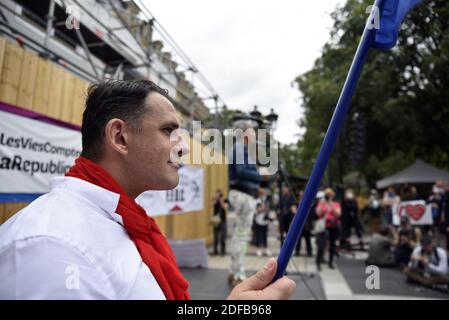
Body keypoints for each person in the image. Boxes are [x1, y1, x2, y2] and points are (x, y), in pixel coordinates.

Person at [0, 80, 295, 299]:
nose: (183, 148)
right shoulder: (52, 247)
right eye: (169, 131)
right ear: (120, 137)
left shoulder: (117, 221)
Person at [227, 119, 270, 287]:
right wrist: (261, 175)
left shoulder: (238, 148)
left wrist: (256, 186)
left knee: (239, 235)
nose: (254, 134)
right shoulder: (239, 147)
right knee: (241, 236)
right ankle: (239, 273)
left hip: (242, 193)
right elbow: (242, 171)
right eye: (252, 131)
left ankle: (234, 270)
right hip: (244, 196)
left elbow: (240, 173)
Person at [315, 188, 341, 270]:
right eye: (327, 195)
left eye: (330, 195)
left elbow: (338, 214)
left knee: (332, 245)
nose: (329, 196)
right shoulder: (321, 203)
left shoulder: (336, 204)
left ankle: (330, 262)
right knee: (321, 246)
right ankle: (318, 262)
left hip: (333, 226)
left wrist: (331, 205)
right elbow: (318, 214)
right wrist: (324, 206)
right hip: (324, 227)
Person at [212, 190, 228, 256]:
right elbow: (211, 204)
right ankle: (215, 251)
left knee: (222, 238)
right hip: (216, 221)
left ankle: (223, 252)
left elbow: (225, 207)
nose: (217, 196)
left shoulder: (225, 200)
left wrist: (221, 200)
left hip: (223, 221)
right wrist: (215, 200)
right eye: (216, 194)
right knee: (215, 237)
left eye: (218, 194)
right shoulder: (215, 200)